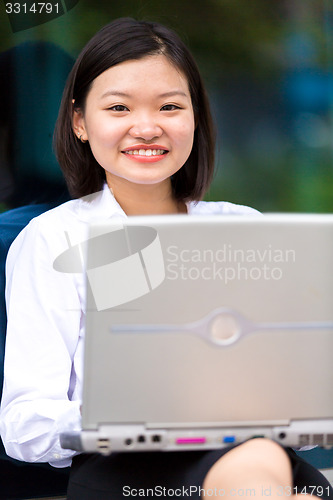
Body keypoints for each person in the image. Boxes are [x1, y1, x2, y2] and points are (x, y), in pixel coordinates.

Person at [0, 18, 331, 500]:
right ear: (79, 122)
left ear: (195, 117)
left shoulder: (242, 227)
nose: (147, 126)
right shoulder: (53, 240)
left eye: (170, 106)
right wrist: (135, 408)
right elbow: (23, 427)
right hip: (126, 470)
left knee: (258, 456)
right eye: (118, 107)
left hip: (252, 449)